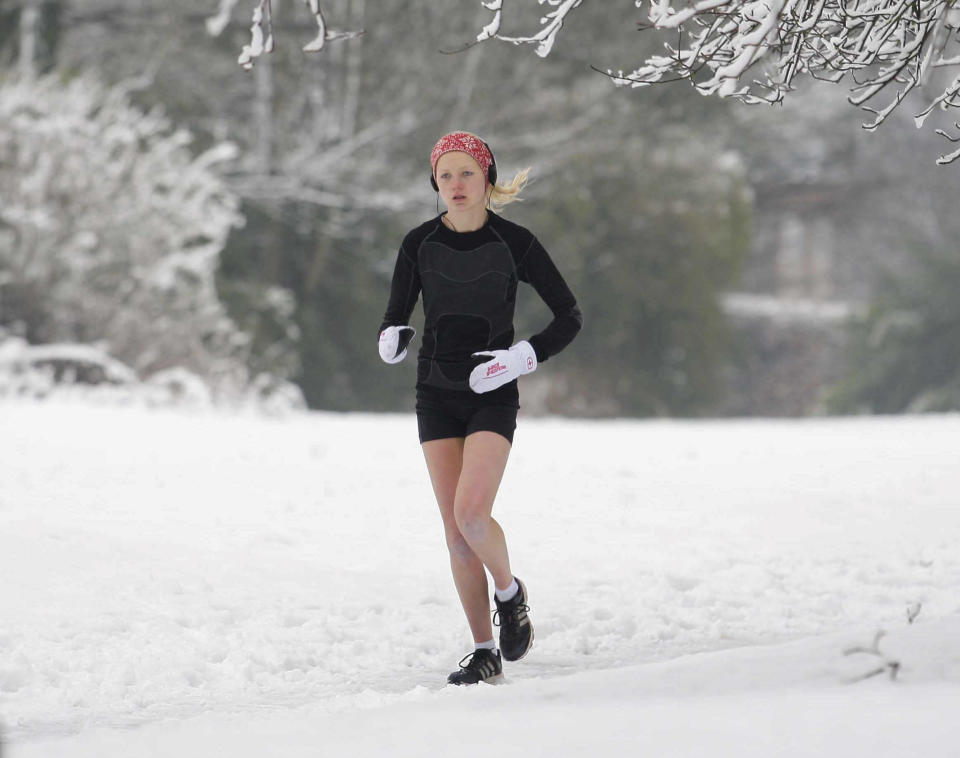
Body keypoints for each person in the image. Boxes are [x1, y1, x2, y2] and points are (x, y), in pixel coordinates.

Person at [378, 131, 582, 686]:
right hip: (435, 394)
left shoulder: (515, 243)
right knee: (454, 532)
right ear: (435, 184)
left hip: (492, 392)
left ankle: (510, 594)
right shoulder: (418, 243)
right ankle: (484, 648)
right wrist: (391, 336)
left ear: (487, 178)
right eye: (445, 176)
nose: (456, 185)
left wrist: (521, 358)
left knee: (472, 516)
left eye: (467, 173)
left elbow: (568, 317)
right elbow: (395, 315)